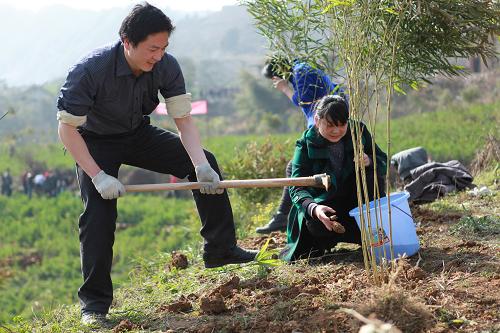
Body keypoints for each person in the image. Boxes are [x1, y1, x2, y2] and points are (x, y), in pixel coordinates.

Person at [56, 3, 256, 325]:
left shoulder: (166, 66)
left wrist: (200, 165)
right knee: (98, 215)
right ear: (127, 41)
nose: (158, 56)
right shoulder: (90, 71)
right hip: (93, 142)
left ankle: (220, 249)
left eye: (163, 48)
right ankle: (94, 306)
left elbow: (184, 121)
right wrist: (98, 176)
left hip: (138, 133)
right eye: (152, 49)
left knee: (208, 162)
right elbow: (66, 130)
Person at [280, 95, 387, 261]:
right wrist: (314, 208)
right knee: (311, 238)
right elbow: (296, 186)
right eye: (330, 125)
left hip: (356, 203)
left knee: (372, 176)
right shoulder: (305, 144)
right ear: (317, 120)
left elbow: (382, 160)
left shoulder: (358, 131)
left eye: (342, 125)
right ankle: (323, 243)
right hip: (326, 205)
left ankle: (370, 236)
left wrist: (369, 160)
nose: (336, 131)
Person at [256, 57, 341, 234]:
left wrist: (285, 88)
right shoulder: (302, 70)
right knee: (296, 168)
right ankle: (285, 215)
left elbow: (305, 103)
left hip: (329, 126)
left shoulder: (301, 72)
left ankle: (284, 216)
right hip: (327, 125)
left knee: (295, 168)